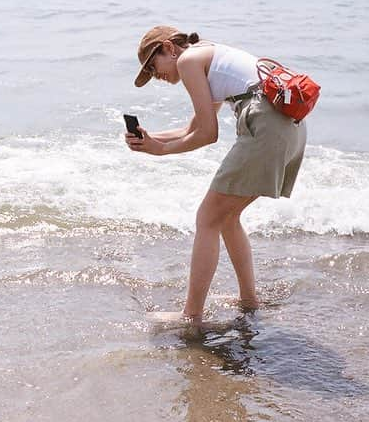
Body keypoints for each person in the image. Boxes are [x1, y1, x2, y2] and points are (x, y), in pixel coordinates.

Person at [125, 26, 307, 316]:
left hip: (267, 125)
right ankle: (248, 300)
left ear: (168, 48)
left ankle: (191, 316)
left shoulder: (187, 62)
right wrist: (152, 139)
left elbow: (208, 134)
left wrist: (160, 151)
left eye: (151, 64)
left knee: (207, 218)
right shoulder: (208, 55)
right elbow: (193, 128)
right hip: (288, 126)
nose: (154, 75)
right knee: (226, 217)